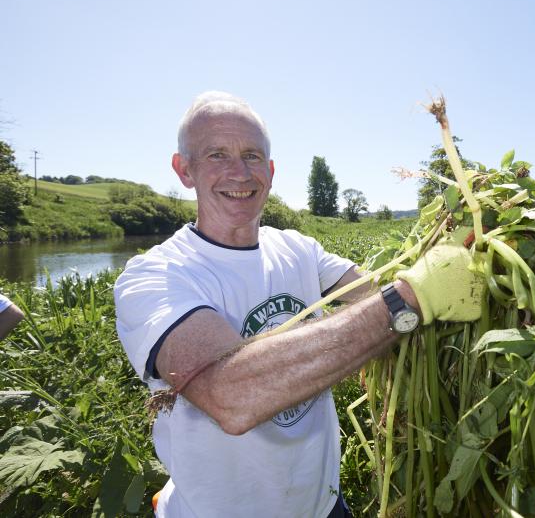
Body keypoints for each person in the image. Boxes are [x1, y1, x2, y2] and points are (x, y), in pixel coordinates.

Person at [113, 91, 485, 518]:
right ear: (184, 170)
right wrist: (409, 299)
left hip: (324, 503)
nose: (239, 172)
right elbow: (231, 396)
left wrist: (458, 253)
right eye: (217, 155)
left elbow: (368, 292)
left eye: (252, 156)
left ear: (270, 171)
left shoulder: (297, 248)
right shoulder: (155, 276)